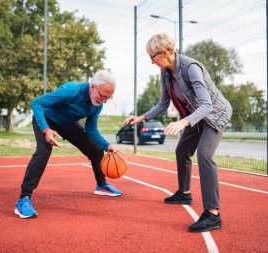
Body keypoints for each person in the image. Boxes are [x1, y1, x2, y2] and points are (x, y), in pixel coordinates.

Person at [123, 34, 232, 232]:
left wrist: (183, 122)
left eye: (152, 56)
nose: (151, 61)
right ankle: (184, 193)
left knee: (204, 154)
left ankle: (213, 214)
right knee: (182, 151)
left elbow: (207, 104)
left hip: (215, 114)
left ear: (165, 52)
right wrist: (141, 118)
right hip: (194, 116)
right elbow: (163, 103)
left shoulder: (191, 68)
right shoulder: (165, 73)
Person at [15, 70, 123, 219]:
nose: (104, 101)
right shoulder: (70, 91)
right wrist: (46, 129)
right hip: (47, 120)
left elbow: (91, 129)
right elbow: (37, 103)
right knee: (43, 152)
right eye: (103, 96)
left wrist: (107, 146)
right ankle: (23, 199)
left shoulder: (97, 104)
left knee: (97, 150)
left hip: (68, 124)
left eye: (108, 98)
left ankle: (102, 185)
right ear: (92, 87)